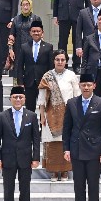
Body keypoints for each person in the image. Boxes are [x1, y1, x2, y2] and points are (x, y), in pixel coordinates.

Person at [63, 72, 101, 201]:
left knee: (93, 185)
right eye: (83, 85)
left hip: (94, 151)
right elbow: (67, 129)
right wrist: (66, 149)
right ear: (79, 86)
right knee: (78, 186)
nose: (86, 87)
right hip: (76, 149)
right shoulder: (71, 103)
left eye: (89, 85)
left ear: (94, 86)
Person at [0, 85, 40, 201]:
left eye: (20, 97)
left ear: (24, 99)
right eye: (15, 97)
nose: (18, 99)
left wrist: (36, 157)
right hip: (7, 158)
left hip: (26, 159)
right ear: (10, 99)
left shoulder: (31, 116)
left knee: (25, 189)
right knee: (8, 189)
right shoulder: (2, 116)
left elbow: (36, 139)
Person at [37, 50, 80, 181]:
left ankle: (65, 170)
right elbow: (42, 97)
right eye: (57, 59)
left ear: (66, 61)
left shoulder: (71, 75)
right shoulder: (47, 76)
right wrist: (42, 116)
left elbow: (77, 95)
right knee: (52, 143)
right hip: (50, 115)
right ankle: (54, 172)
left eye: (62, 59)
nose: (60, 62)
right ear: (54, 61)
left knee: (65, 142)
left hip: (68, 114)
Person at [52, 0, 91, 70]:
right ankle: (62, 63)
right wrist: (55, 15)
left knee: (77, 40)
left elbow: (87, 0)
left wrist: (88, 16)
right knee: (62, 40)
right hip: (63, 14)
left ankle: (76, 64)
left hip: (79, 14)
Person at [15, 19, 53, 111]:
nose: (36, 33)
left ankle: (42, 125)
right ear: (30, 32)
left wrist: (50, 81)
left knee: (43, 109)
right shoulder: (24, 47)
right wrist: (20, 82)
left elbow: (51, 66)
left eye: (38, 31)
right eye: (34, 31)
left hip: (43, 83)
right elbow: (19, 65)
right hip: (29, 83)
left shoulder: (48, 47)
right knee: (29, 109)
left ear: (42, 32)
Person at [8, 0, 39, 79]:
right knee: (18, 73)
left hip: (32, 48)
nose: (25, 7)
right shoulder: (16, 19)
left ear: (30, 6)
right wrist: (10, 50)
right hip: (18, 49)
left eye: (27, 5)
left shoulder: (36, 18)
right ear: (21, 6)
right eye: (23, 5)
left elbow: (40, 35)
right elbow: (11, 36)